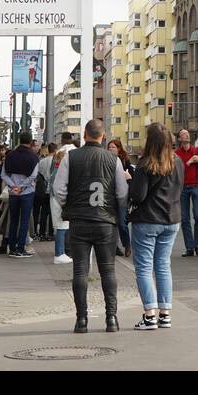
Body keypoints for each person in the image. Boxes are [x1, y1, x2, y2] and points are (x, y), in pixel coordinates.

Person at [53, 119, 128, 333]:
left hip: (79, 221)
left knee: (80, 270)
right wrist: (114, 209)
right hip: (105, 221)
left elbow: (58, 188)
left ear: (84, 135)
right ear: (102, 137)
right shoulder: (113, 159)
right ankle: (111, 318)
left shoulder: (71, 157)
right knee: (108, 271)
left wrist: (69, 204)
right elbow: (122, 193)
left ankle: (81, 320)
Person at [128, 123, 183, 330]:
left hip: (148, 220)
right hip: (172, 220)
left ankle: (149, 315)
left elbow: (138, 195)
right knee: (163, 266)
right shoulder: (178, 162)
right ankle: (165, 314)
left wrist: (130, 181)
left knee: (143, 268)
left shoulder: (145, 164)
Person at [1, 132, 39, 259]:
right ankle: (20, 248)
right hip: (27, 192)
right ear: (30, 142)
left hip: (13, 193)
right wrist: (22, 186)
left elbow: (4, 174)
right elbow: (33, 175)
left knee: (13, 220)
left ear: (19, 140)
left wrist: (13, 186)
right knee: (24, 221)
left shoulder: (10, 155)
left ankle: (11, 248)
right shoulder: (33, 157)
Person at [174, 130, 198, 257]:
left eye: (187, 134)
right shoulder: (176, 154)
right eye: (183, 134)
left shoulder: (197, 151)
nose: (187, 135)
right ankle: (189, 247)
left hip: (196, 186)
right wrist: (189, 162)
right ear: (179, 139)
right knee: (184, 219)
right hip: (182, 188)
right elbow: (174, 170)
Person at [49, 133, 77, 264]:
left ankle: (62, 252)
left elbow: (51, 175)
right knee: (64, 225)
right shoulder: (74, 152)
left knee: (61, 224)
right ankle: (60, 253)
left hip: (55, 193)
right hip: (68, 193)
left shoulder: (57, 153)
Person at [107, 139, 134, 257]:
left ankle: (127, 245)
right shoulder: (106, 160)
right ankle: (115, 247)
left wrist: (128, 177)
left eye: (113, 147)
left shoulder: (125, 161)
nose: (111, 149)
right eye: (109, 147)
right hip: (110, 196)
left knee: (122, 223)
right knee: (112, 223)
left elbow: (133, 178)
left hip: (123, 196)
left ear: (119, 149)